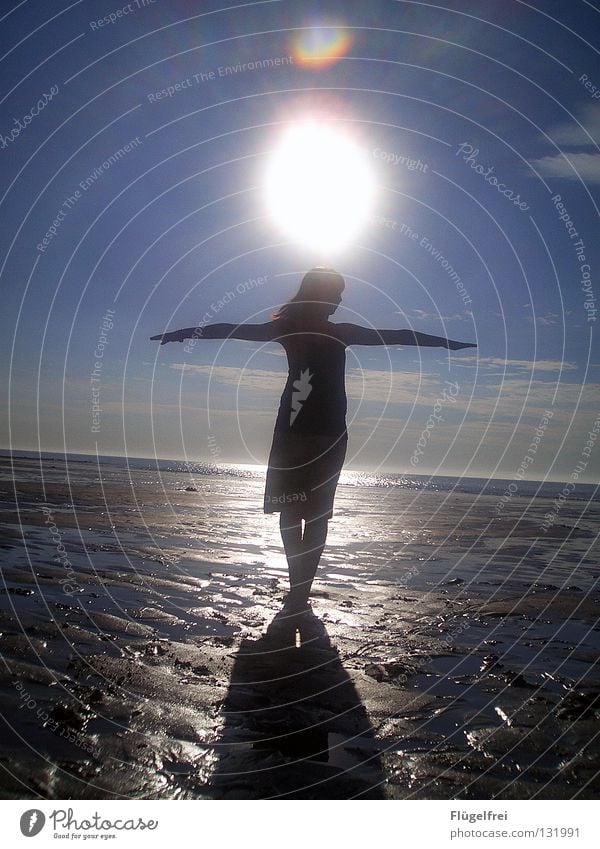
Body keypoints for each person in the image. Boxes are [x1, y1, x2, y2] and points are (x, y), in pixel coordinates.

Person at [151, 267, 476, 619]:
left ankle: (299, 590)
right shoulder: (295, 330)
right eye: (335, 293)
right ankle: (298, 587)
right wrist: (181, 333)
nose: (339, 300)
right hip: (298, 430)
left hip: (323, 432)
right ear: (318, 295)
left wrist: (445, 342)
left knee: (310, 513)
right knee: (295, 511)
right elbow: (227, 331)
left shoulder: (331, 332)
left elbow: (397, 335)